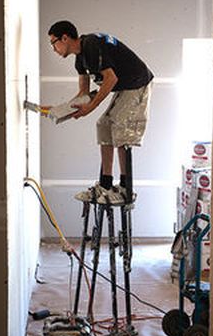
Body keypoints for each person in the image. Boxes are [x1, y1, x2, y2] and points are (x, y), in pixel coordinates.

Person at [48, 20, 153, 205]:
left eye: (53, 42)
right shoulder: (80, 59)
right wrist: (59, 110)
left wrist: (91, 107)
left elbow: (110, 79)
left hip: (138, 82)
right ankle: (105, 184)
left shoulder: (91, 45)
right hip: (125, 86)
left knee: (120, 126)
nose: (53, 49)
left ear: (64, 38)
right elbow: (83, 94)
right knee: (103, 124)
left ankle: (125, 188)